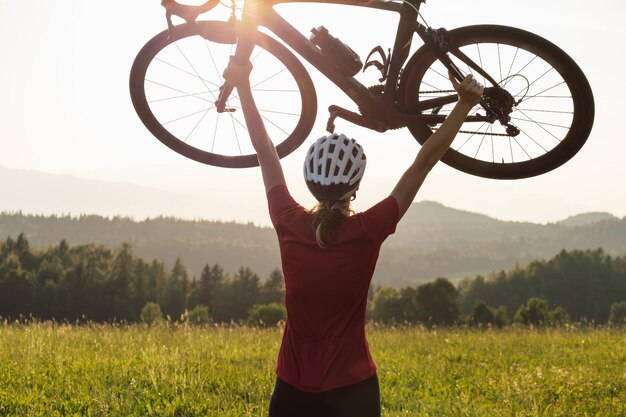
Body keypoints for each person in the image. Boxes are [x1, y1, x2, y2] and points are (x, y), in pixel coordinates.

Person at [223, 57, 483, 417]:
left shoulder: (288, 222)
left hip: (292, 387)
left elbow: (266, 150)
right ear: (355, 186)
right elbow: (423, 162)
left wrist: (242, 83)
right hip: (352, 387)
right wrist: (464, 105)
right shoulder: (366, 231)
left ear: (310, 183)